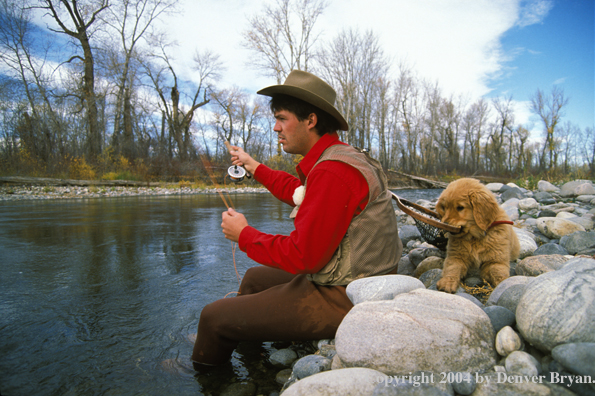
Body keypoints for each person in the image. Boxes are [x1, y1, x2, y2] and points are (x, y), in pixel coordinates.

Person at [191, 70, 402, 367]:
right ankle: (252, 359)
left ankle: (210, 378)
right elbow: (297, 192)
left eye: (282, 118)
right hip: (356, 276)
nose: (275, 127)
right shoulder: (337, 156)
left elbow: (304, 258)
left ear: (310, 120)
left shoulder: (332, 171)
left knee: (212, 318)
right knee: (253, 279)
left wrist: (245, 235)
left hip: (348, 294)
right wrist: (253, 165)